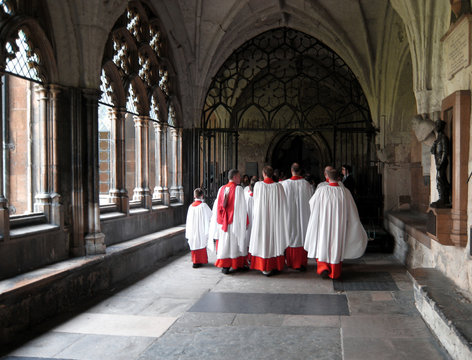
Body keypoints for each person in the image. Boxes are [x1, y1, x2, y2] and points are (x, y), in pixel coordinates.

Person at [304, 168, 368, 279]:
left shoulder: (321, 191)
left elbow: (312, 204)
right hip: (339, 225)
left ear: (327, 177)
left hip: (324, 223)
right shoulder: (345, 192)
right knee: (336, 245)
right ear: (338, 177)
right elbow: (352, 210)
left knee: (323, 243)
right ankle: (334, 272)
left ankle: (323, 267)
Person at [249, 165, 290, 276]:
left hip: (262, 217)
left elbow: (255, 201)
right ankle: (274, 265)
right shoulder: (279, 187)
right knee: (274, 238)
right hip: (274, 218)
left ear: (264, 174)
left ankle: (263, 265)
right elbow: (283, 204)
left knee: (262, 238)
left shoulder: (258, 185)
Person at [209, 169, 249, 274]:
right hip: (235, 222)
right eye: (239, 176)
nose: (240, 178)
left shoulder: (221, 189)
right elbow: (242, 208)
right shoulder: (239, 189)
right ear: (235, 177)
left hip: (224, 223)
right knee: (235, 243)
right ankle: (237, 264)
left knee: (225, 243)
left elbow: (218, 207)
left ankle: (225, 266)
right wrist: (244, 221)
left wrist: (221, 221)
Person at [281, 163, 313, 271]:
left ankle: (290, 262)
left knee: (290, 234)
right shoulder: (307, 185)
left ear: (291, 171)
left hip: (289, 215)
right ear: (300, 171)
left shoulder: (284, 184)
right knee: (302, 234)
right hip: (303, 216)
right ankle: (302, 263)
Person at [185, 188, 212, 268]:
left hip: (193, 230)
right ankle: (200, 260)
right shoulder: (204, 206)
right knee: (201, 243)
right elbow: (211, 216)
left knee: (194, 244)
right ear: (202, 196)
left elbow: (188, 220)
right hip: (201, 230)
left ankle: (195, 261)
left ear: (194, 196)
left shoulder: (190, 207)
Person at [430, 120, 451, 207]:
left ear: (441, 127)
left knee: (440, 179)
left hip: (442, 162)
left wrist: (441, 163)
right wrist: (434, 144)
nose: (437, 127)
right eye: (436, 126)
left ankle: (443, 199)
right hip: (437, 161)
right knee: (440, 179)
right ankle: (443, 197)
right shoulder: (438, 139)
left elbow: (445, 152)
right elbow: (432, 151)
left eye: (438, 126)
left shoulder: (443, 138)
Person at [244, 176, 257, 254]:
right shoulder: (259, 196)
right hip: (255, 218)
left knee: (248, 235)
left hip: (248, 217)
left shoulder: (245, 193)